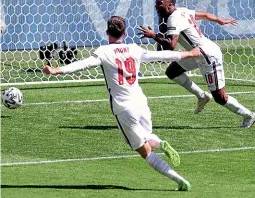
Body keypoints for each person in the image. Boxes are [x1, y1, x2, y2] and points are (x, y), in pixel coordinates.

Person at [43, 16, 201, 191]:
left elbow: (83, 64)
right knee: (147, 136)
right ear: (125, 33)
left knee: (145, 152)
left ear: (106, 33)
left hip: (124, 109)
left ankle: (179, 180)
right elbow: (161, 55)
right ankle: (160, 143)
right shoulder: (134, 48)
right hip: (141, 103)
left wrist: (57, 70)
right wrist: (188, 53)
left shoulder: (103, 52)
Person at [137, 0, 255, 128]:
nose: (156, 6)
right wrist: (219, 20)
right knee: (172, 71)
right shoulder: (183, 11)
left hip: (208, 56)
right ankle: (202, 96)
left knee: (220, 97)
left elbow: (171, 45)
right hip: (197, 53)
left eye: (160, 3)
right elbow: (204, 15)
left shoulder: (173, 18)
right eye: (157, 3)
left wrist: (154, 36)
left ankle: (249, 115)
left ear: (170, 4)